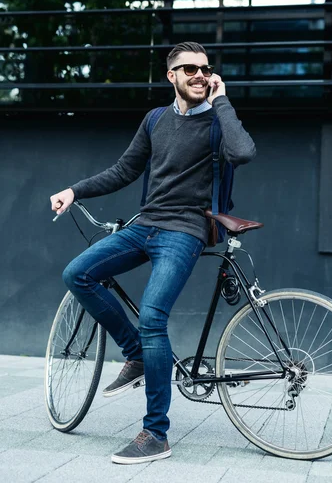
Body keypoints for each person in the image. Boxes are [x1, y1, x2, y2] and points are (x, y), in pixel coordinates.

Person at [50, 41, 256, 465]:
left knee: (153, 315)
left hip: (185, 229)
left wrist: (222, 102)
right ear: (172, 76)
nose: (200, 75)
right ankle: (137, 354)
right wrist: (75, 190)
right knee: (78, 273)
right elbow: (125, 170)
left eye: (205, 69)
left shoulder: (219, 122)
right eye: (190, 70)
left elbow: (243, 153)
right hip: (144, 224)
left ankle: (155, 434)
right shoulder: (155, 119)